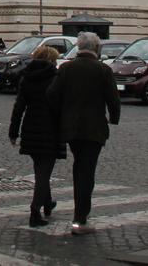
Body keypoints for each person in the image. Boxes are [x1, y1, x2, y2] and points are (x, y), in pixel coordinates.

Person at [46, 32, 120, 235]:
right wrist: (113, 118)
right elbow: (113, 99)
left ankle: (81, 214)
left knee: (81, 167)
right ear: (96, 49)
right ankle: (80, 218)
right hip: (95, 128)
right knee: (86, 170)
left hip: (70, 127)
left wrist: (61, 113)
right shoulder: (103, 70)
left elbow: (52, 94)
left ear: (79, 48)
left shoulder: (67, 68)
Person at [9, 45, 65, 226]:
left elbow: (19, 107)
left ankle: (47, 203)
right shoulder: (54, 78)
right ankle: (35, 210)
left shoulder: (27, 77)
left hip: (31, 127)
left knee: (41, 170)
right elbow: (61, 106)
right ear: (50, 60)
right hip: (50, 129)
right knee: (43, 173)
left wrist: (13, 132)